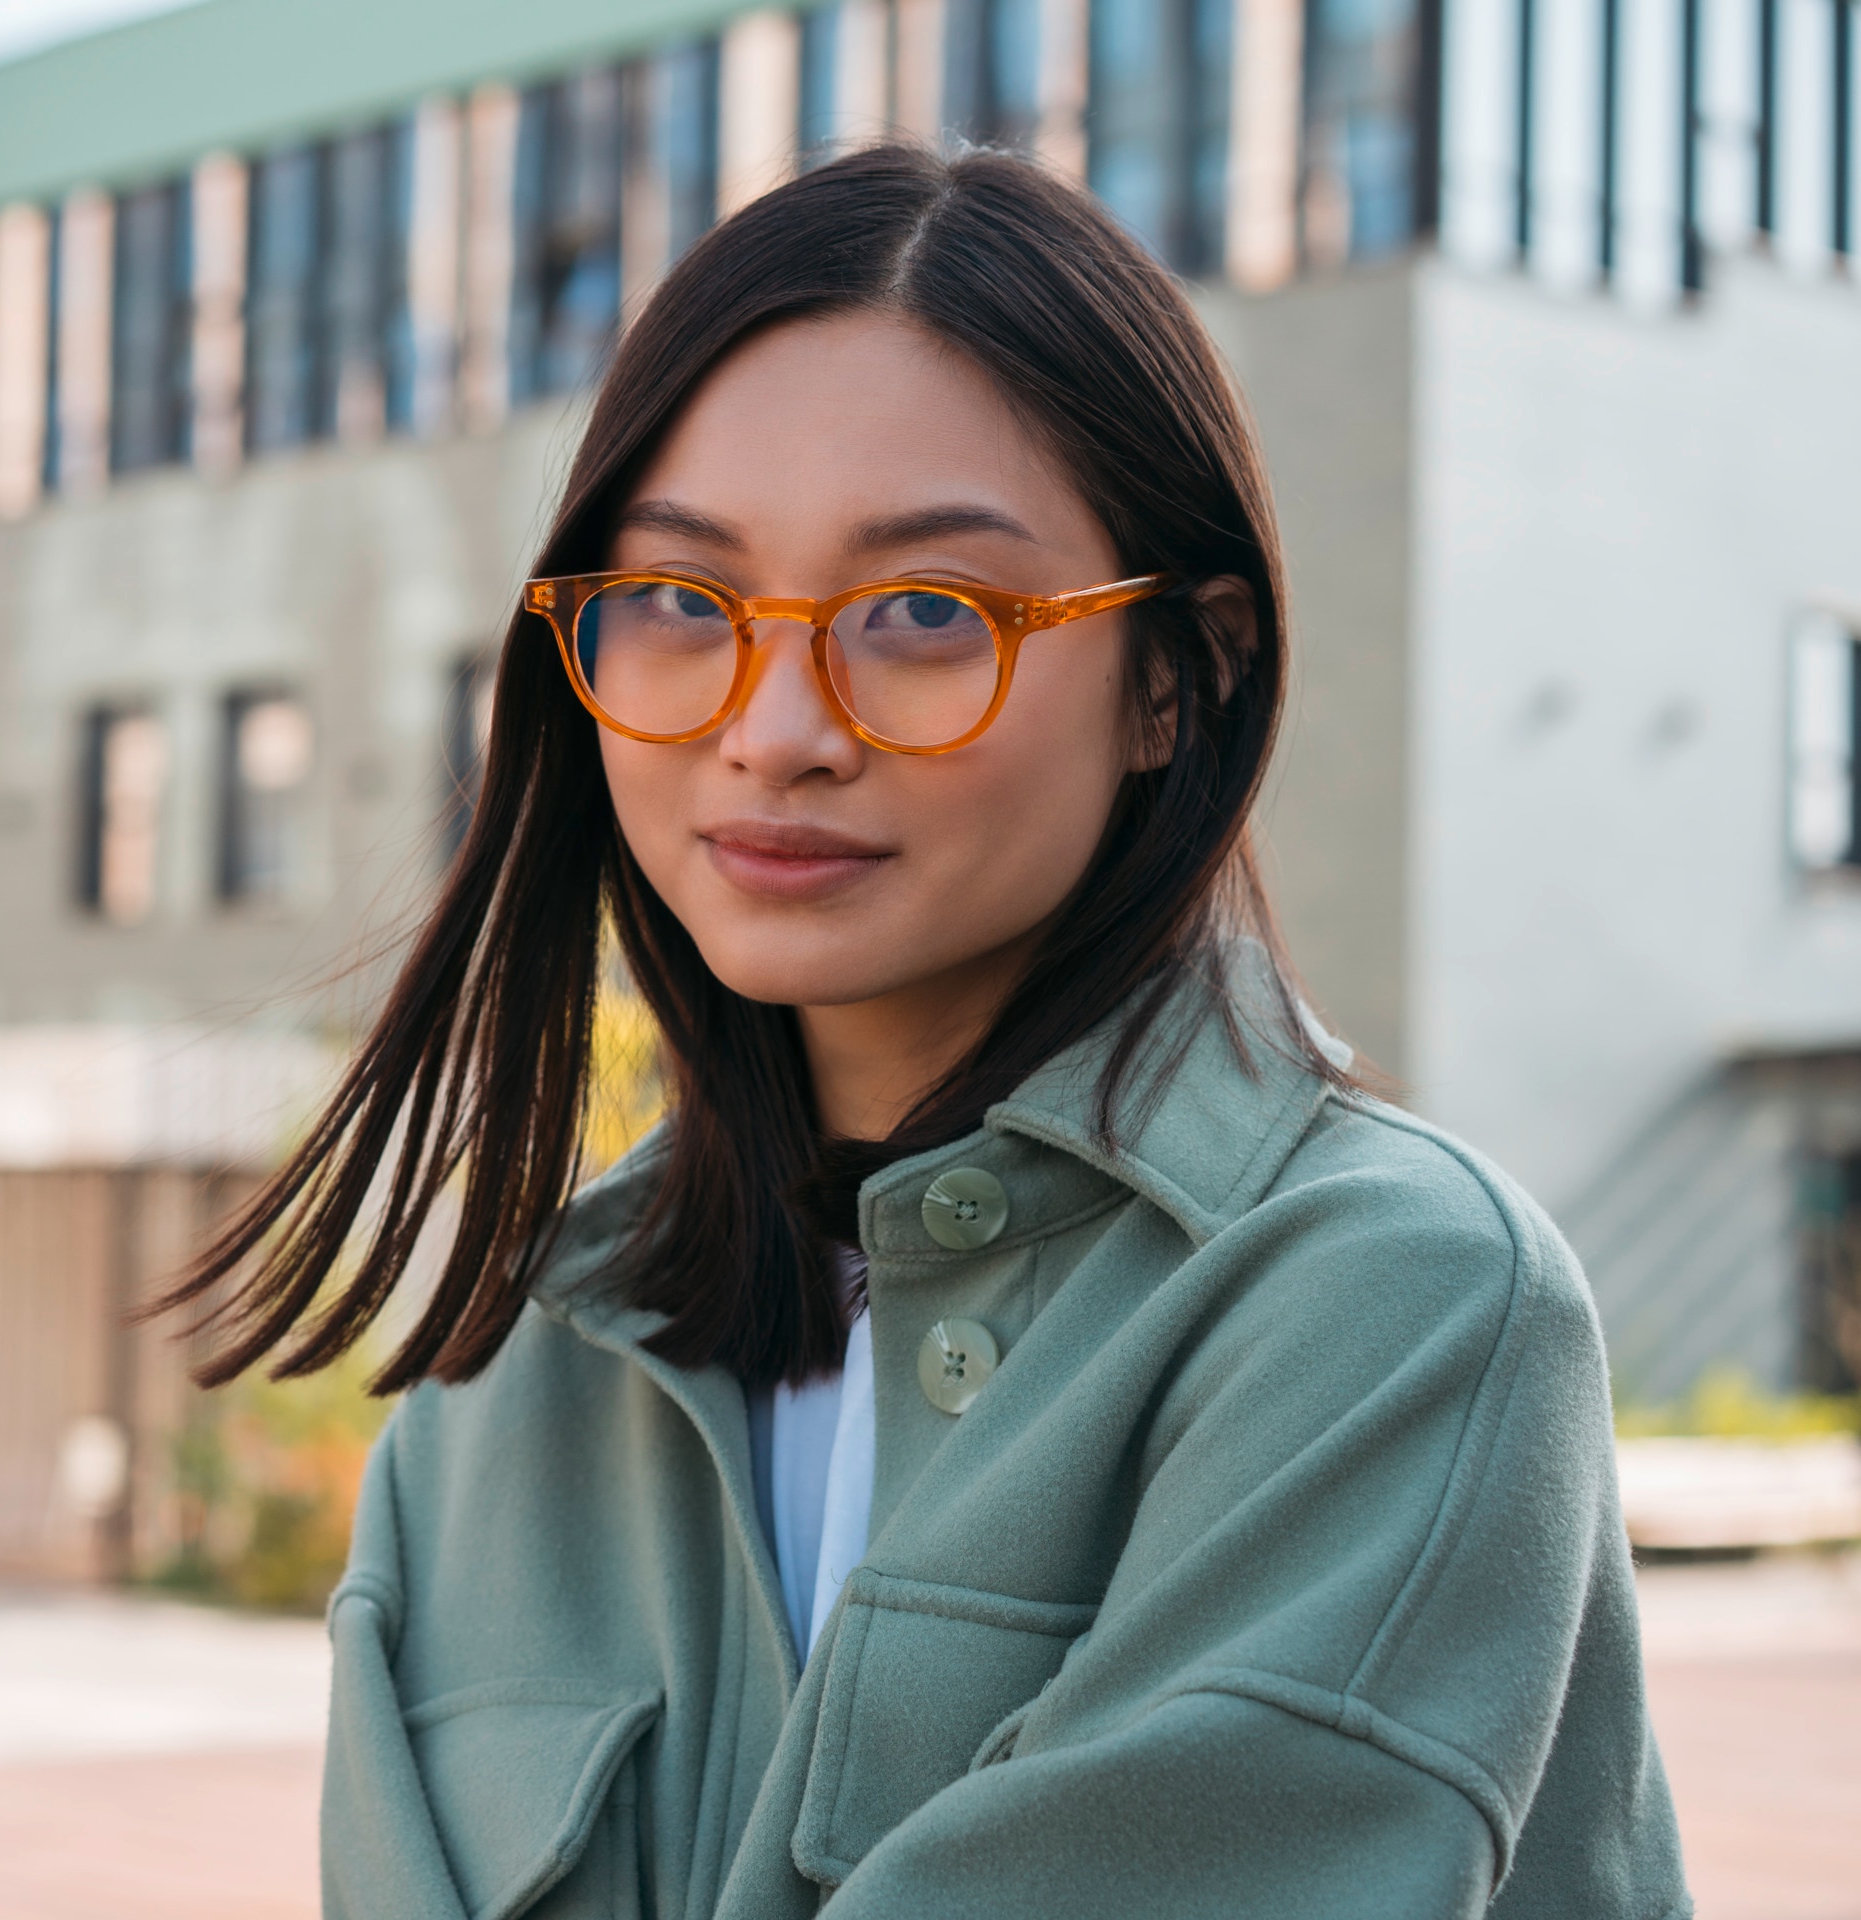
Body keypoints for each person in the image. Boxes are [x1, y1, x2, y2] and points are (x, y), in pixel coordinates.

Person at [160, 143, 1688, 1918]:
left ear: (1176, 679)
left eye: (923, 615)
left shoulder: (1394, 1303)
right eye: (680, 603)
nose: (777, 728)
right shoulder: (513, 1383)